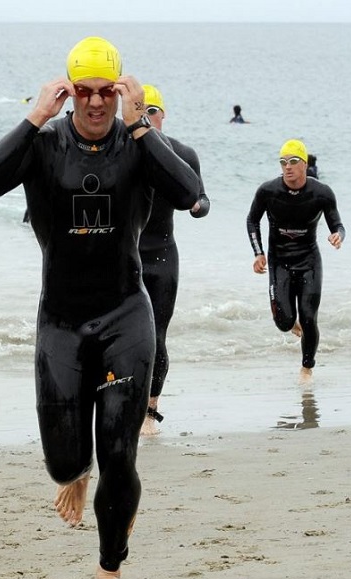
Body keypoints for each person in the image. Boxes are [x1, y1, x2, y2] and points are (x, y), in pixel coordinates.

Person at [0, 36, 200, 579]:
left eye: (106, 91)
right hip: (62, 323)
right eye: (84, 92)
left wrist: (141, 122)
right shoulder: (45, 144)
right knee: (64, 461)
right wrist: (33, 116)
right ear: (69, 92)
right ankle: (76, 472)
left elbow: (191, 192)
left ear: (119, 90)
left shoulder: (140, 143)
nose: (96, 103)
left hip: (125, 314)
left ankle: (109, 574)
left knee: (119, 452)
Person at [138, 85, 211, 436]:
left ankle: (150, 411)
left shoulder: (182, 153)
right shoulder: (125, 152)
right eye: (142, 112)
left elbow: (202, 198)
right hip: (124, 258)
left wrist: (198, 206)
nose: (148, 118)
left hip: (163, 256)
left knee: (157, 337)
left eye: (153, 111)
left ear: (163, 116)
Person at [246, 139, 344, 383]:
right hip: (279, 262)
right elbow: (252, 220)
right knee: (284, 322)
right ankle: (292, 324)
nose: (287, 167)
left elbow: (338, 225)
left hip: (309, 260)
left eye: (292, 161)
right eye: (282, 162)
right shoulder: (268, 191)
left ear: (304, 164)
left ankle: (307, 368)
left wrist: (337, 236)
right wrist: (258, 253)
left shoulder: (322, 193)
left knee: (309, 317)